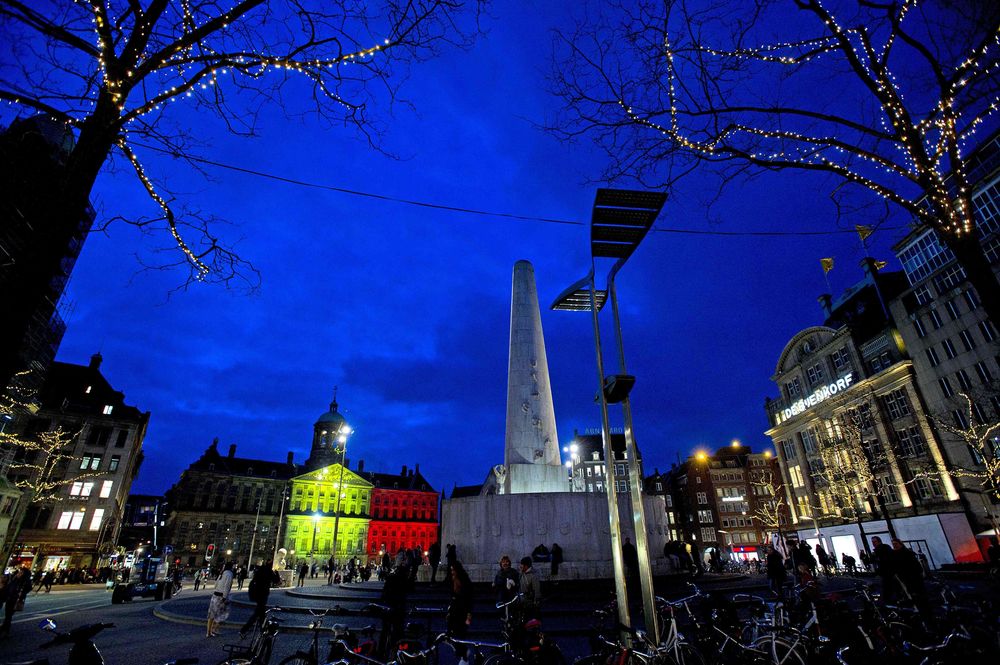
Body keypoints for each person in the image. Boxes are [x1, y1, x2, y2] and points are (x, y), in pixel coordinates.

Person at [241, 562, 279, 639]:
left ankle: (262, 630)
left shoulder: (260, 570)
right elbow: (276, 580)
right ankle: (244, 630)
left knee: (261, 614)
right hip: (263, 594)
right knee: (258, 614)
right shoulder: (269, 571)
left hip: (257, 594)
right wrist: (277, 572)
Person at [446, 562, 474, 665]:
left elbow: (469, 598)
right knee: (451, 635)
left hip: (462, 611)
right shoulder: (452, 580)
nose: (452, 572)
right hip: (454, 610)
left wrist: (469, 614)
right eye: (451, 570)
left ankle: (464, 657)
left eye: (454, 570)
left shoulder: (464, 582)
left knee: (459, 635)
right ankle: (464, 653)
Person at [0, 566, 30, 638]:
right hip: (10, 598)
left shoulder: (23, 582)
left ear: (23, 574)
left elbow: (12, 589)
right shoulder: (16, 579)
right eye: (19, 572)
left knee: (8, 615)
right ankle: (4, 628)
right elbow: (9, 588)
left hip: (15, 600)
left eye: (21, 572)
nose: (19, 573)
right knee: (8, 615)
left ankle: (6, 631)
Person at [207, 562, 235, 638]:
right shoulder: (229, 574)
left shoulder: (221, 574)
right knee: (223, 614)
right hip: (221, 596)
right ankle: (215, 629)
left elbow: (215, 584)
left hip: (215, 595)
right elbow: (227, 586)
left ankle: (208, 632)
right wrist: (225, 597)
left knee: (211, 614)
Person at [518, 556, 541, 621]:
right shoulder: (522, 573)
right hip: (522, 601)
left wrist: (536, 602)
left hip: (529, 603)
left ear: (526, 566)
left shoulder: (534, 575)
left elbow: (537, 590)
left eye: (521, 565)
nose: (520, 566)